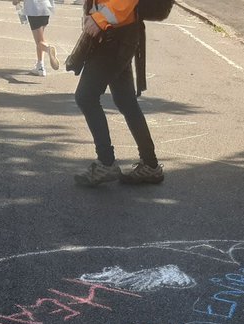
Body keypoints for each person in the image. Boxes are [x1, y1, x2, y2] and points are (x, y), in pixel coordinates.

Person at [72, 0, 164, 186]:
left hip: (114, 36)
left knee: (86, 96)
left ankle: (106, 162)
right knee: (125, 100)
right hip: (117, 33)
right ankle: (150, 165)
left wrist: (99, 17)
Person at [15, 0, 59, 76]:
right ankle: (40, 65)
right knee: (40, 39)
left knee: (39, 42)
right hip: (46, 8)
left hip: (34, 10)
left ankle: (48, 49)